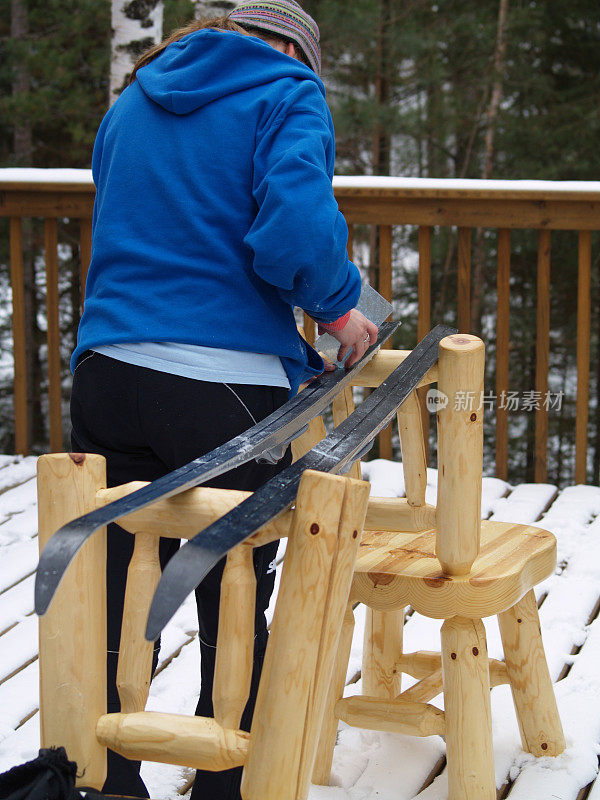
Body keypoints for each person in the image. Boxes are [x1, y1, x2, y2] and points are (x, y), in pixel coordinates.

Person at [70, 1, 378, 798]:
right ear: (291, 50)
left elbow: (143, 221)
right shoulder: (287, 92)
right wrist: (342, 308)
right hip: (218, 385)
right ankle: (227, 779)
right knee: (232, 571)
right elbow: (291, 233)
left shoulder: (133, 99)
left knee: (116, 571)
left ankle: (105, 775)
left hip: (108, 369)